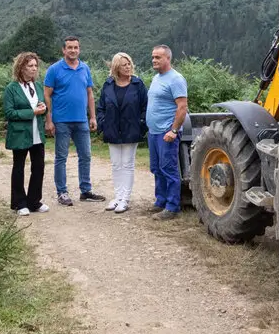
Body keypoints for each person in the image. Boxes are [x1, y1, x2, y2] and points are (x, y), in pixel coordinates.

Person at [43, 36, 105, 205]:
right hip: (61, 120)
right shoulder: (54, 69)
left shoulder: (85, 68)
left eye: (75, 47)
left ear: (79, 49)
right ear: (63, 50)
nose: (73, 50)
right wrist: (49, 120)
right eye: (69, 47)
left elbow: (89, 93)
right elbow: (47, 95)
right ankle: (62, 192)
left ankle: (85, 191)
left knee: (85, 155)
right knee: (61, 157)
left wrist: (92, 117)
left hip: (81, 120)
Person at [95, 52, 148, 214]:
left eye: (129, 64)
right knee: (116, 165)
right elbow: (101, 107)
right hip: (112, 130)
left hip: (131, 130)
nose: (128, 67)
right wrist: (103, 123)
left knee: (127, 164)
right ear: (116, 67)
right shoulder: (108, 84)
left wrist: (141, 125)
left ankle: (125, 198)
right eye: (124, 64)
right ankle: (117, 197)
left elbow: (145, 107)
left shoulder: (138, 85)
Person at [146, 44, 188, 220]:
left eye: (158, 57)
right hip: (154, 132)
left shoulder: (176, 79)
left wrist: (173, 130)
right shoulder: (157, 78)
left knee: (168, 169)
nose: (154, 60)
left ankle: (172, 207)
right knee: (157, 168)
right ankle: (161, 201)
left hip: (166, 132)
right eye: (153, 57)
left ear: (168, 58)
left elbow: (182, 107)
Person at [4, 51, 49, 215]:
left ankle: (34, 201)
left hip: (37, 133)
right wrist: (32, 112)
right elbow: (9, 113)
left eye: (36, 66)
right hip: (20, 134)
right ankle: (19, 203)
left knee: (39, 167)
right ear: (21, 68)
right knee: (19, 168)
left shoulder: (37, 86)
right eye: (30, 66)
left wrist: (43, 109)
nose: (34, 69)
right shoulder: (11, 88)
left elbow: (41, 106)